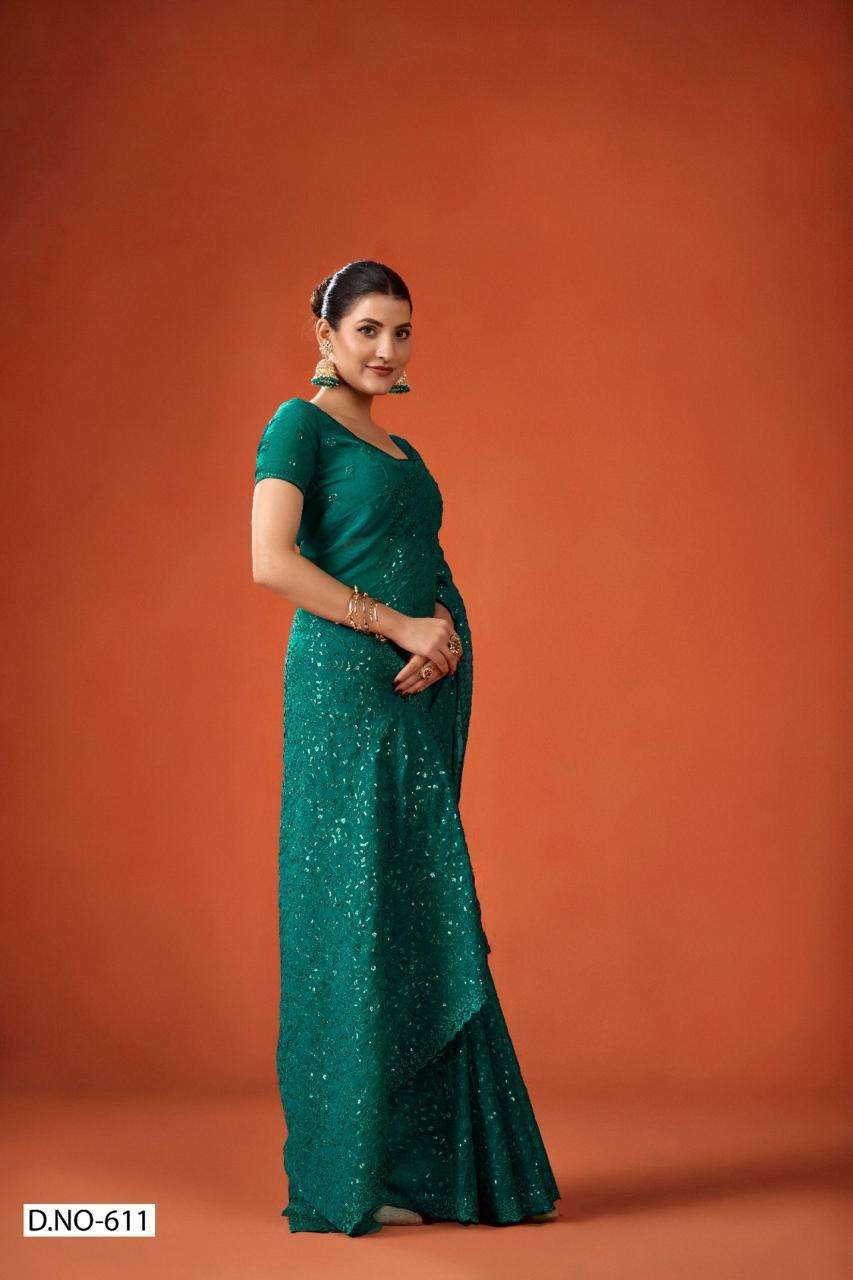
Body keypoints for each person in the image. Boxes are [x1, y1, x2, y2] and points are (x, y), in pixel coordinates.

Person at [251, 259, 561, 1235]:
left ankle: (428, 1163)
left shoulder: (399, 447)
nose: (387, 349)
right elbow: (269, 560)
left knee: (413, 905)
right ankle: (345, 1166)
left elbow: (422, 564)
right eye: (369, 330)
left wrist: (444, 635)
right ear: (325, 333)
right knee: (350, 906)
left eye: (402, 331)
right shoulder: (297, 427)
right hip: (346, 695)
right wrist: (397, 625)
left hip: (412, 693)